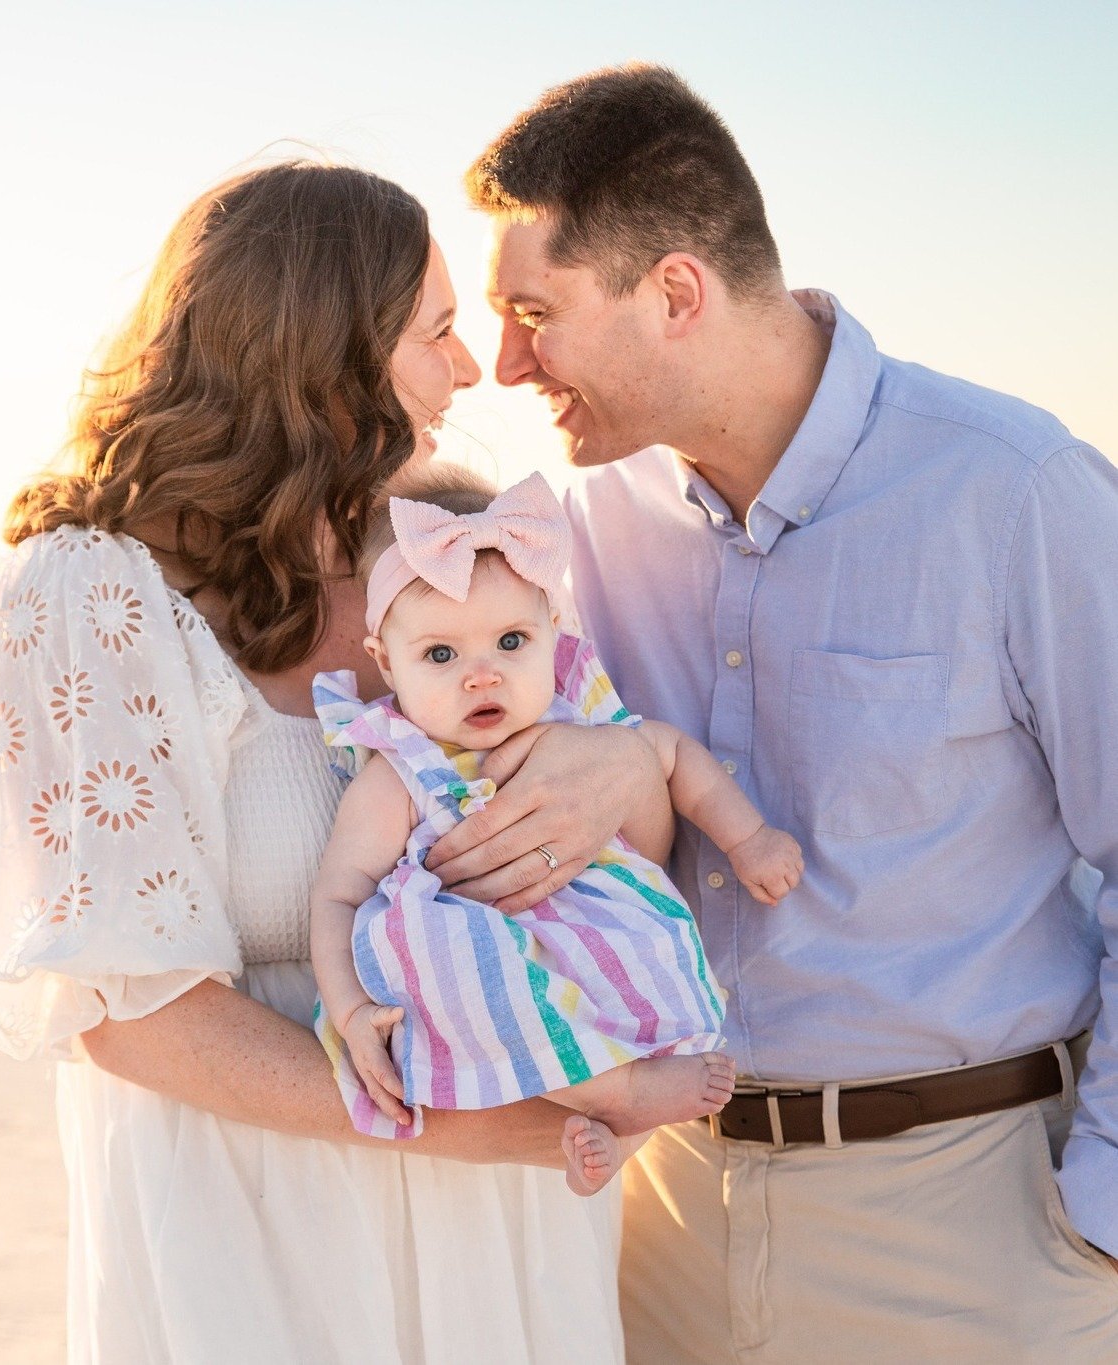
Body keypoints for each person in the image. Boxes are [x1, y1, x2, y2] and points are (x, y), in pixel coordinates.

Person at [0, 162, 661, 1363]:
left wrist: (631, 780)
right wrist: (469, 1126)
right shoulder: (89, 596)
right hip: (258, 1229)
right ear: (327, 355)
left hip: (506, 1234)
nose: (471, 371)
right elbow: (132, 1008)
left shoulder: (439, 571)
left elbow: (608, 843)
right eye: (435, 333)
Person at [449, 63, 1118, 1361]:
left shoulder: (1016, 490)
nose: (505, 359)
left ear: (676, 293)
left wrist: (1101, 1213)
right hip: (664, 1219)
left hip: (971, 1232)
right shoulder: (583, 529)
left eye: (535, 311)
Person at [309, 468, 803, 1194]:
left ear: (552, 632)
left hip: (594, 936)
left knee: (629, 980)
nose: (482, 676)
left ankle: (609, 1127)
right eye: (440, 656)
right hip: (477, 966)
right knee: (456, 957)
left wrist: (748, 836)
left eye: (511, 641)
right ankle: (618, 1097)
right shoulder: (398, 770)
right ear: (384, 659)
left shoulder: (584, 723)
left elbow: (669, 754)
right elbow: (339, 895)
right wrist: (350, 1010)